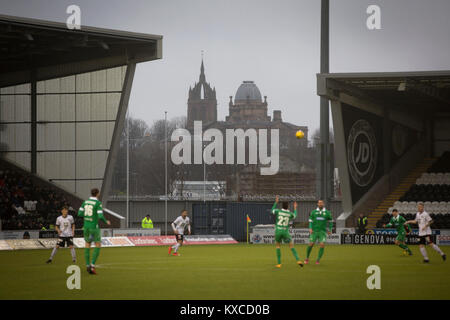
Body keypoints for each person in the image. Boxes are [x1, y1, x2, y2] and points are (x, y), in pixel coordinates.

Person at [77, 188, 111, 274]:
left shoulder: (85, 202)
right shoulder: (98, 203)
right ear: (98, 194)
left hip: (86, 226)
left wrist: (87, 217)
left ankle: (87, 265)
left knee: (87, 244)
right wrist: (106, 221)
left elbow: (79, 214)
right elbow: (100, 216)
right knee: (98, 244)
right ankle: (92, 265)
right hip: (94, 227)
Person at [271, 195, 303, 268]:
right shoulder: (289, 214)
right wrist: (295, 208)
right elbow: (295, 215)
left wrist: (276, 202)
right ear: (288, 207)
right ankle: (298, 260)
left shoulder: (278, 211)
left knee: (278, 246)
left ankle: (279, 264)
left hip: (278, 231)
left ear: (282, 206)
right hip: (285, 231)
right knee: (291, 246)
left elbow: (272, 210)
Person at [305, 199, 333, 265]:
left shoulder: (327, 213)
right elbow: (310, 221)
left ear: (323, 204)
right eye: (319, 203)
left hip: (322, 232)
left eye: (321, 203)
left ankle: (318, 260)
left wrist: (330, 229)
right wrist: (310, 228)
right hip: (314, 231)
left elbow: (331, 221)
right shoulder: (313, 212)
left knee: (322, 245)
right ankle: (307, 258)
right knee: (311, 244)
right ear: (317, 204)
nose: (320, 204)